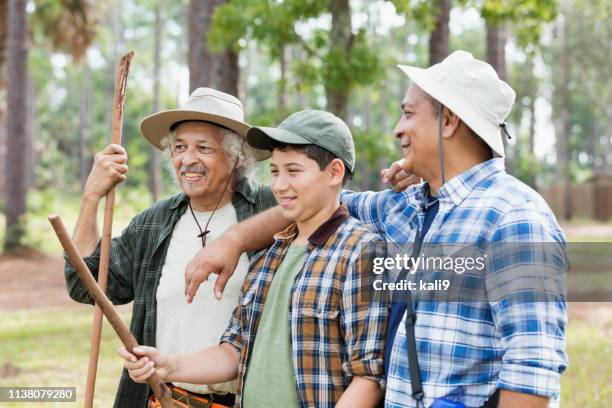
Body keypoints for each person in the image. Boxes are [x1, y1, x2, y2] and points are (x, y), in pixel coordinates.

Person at [182, 51, 568, 407]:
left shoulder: (515, 218)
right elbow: (317, 204)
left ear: (447, 120)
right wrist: (233, 241)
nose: (399, 129)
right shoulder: (405, 209)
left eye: (409, 113)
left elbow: (531, 370)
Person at [118, 110, 388, 408]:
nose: (280, 185)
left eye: (293, 171)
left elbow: (369, 377)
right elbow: (234, 350)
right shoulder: (267, 255)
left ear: (334, 173)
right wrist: (169, 365)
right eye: (275, 171)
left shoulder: (361, 252)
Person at [64, 88, 277, 407]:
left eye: (203, 147)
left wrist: (235, 239)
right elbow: (87, 284)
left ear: (237, 157)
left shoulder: (270, 208)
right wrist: (91, 198)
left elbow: (326, 205)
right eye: (179, 148)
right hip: (163, 399)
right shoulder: (155, 222)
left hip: (246, 399)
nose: (187, 159)